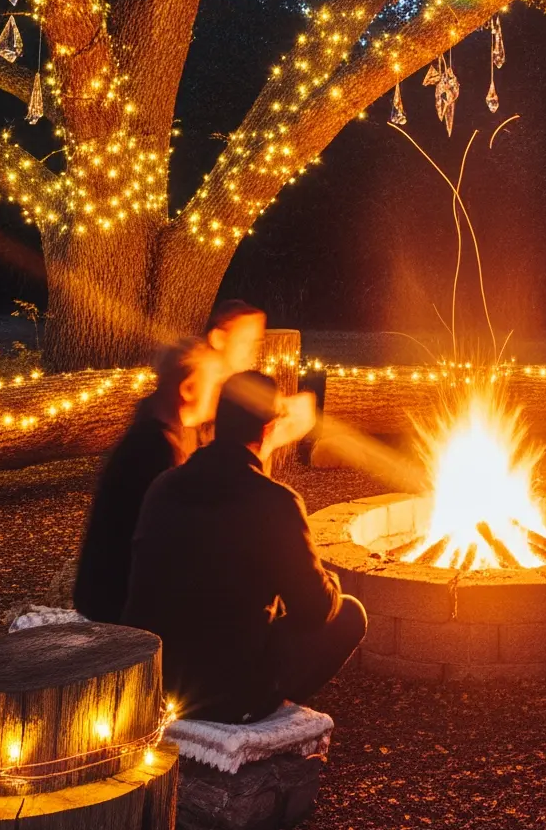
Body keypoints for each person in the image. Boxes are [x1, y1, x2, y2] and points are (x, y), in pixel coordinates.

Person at [125, 370, 366, 720]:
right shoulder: (276, 501)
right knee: (348, 613)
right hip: (228, 694)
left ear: (215, 426)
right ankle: (257, 713)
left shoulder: (163, 487)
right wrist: (330, 580)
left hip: (154, 679)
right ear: (268, 430)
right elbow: (314, 609)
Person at [73, 336, 222, 624]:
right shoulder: (154, 449)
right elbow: (173, 541)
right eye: (214, 384)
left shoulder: (161, 430)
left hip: (110, 594)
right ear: (188, 388)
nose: (218, 393)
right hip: (117, 605)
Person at [204, 297, 268, 384]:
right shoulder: (200, 389)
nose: (252, 350)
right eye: (244, 341)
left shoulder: (240, 387)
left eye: (256, 342)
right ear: (218, 338)